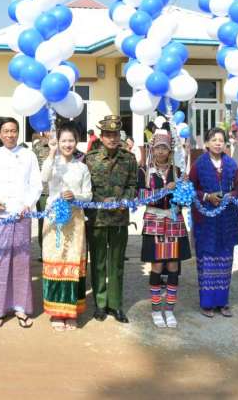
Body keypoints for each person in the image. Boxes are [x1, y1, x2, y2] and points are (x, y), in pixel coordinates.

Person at [0, 117, 42, 328]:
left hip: (21, 216)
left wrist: (28, 204)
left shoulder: (28, 155)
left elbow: (36, 184)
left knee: (21, 262)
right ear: (0, 134)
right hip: (0, 217)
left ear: (18, 132)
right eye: (6, 131)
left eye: (13, 130)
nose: (10, 134)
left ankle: (20, 307)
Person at [85, 115, 137, 323]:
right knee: (98, 262)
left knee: (116, 263)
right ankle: (100, 304)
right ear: (101, 136)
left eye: (115, 134)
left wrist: (125, 200)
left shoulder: (129, 159)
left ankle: (115, 305)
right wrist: (101, 200)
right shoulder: (90, 158)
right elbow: (85, 189)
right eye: (108, 134)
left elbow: (132, 185)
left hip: (119, 218)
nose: (112, 138)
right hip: (97, 218)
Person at [40, 124, 92, 331]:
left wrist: (75, 196)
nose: (68, 144)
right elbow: (43, 178)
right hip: (54, 220)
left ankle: (71, 312)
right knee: (55, 262)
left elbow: (88, 195)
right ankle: (56, 312)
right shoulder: (51, 164)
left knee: (73, 263)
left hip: (76, 221)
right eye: (64, 141)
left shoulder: (82, 167)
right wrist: (51, 153)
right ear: (58, 142)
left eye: (71, 140)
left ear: (76, 142)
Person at [138, 130, 191, 329]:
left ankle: (169, 309)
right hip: (154, 222)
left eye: (165, 148)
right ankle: (155, 309)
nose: (161, 151)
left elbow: (185, 200)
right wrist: (163, 190)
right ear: (152, 149)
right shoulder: (144, 171)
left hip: (175, 222)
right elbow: (141, 196)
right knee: (157, 267)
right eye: (158, 147)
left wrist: (183, 190)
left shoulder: (177, 171)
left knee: (173, 267)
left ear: (170, 151)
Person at [188, 127, 238, 318]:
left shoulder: (232, 164)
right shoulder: (199, 164)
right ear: (207, 143)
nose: (218, 143)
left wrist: (230, 195)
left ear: (225, 143)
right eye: (214, 140)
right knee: (207, 262)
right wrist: (207, 196)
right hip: (206, 221)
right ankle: (207, 304)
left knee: (225, 261)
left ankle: (223, 302)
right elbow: (190, 188)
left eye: (221, 140)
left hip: (226, 220)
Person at [31, 131, 51, 256]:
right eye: (49, 129)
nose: (52, 132)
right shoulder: (38, 147)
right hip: (44, 192)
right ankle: (44, 252)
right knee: (43, 222)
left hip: (60, 192)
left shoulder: (63, 145)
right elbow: (33, 170)